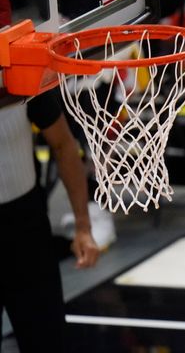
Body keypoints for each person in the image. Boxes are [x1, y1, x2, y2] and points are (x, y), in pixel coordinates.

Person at [0, 88, 100, 352]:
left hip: (26, 230)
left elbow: (64, 144)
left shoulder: (16, 70)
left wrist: (83, 226)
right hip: (26, 223)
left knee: (47, 341)